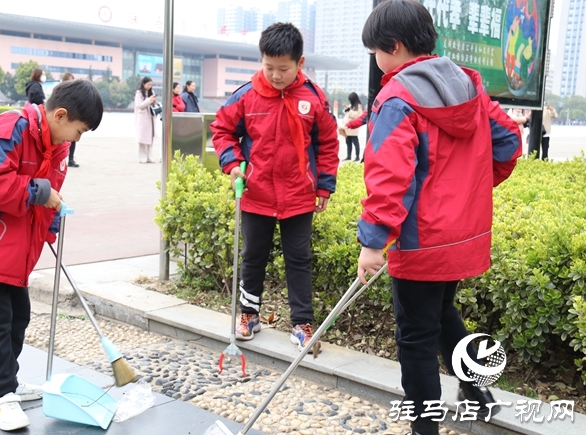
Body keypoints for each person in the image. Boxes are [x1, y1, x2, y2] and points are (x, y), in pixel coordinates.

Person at [355, 1, 521, 434]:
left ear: (393, 47)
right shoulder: (469, 86)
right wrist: (465, 195)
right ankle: (477, 391)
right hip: (460, 237)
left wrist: (373, 242)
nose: (377, 60)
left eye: (376, 50)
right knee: (443, 313)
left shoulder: (396, 98)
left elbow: (389, 178)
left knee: (415, 341)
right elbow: (507, 143)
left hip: (420, 242)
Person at [0, 79, 103, 432]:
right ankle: (4, 395)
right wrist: (39, 192)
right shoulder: (10, 129)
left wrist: (50, 226)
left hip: (15, 252)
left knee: (19, 316)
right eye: (77, 131)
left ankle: (3, 385)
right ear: (60, 115)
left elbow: (51, 195)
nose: (76, 140)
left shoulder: (56, 148)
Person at [211, 22, 339, 352]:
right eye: (269, 67)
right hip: (256, 194)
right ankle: (248, 315)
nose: (276, 75)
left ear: (300, 63)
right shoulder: (246, 96)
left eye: (283, 68)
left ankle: (302, 324)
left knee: (299, 259)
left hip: (298, 194)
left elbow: (327, 143)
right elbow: (222, 131)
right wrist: (232, 165)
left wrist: (324, 186)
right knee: (253, 256)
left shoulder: (313, 98)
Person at [134, 76, 158, 163]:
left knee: (150, 138)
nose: (149, 86)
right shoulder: (139, 93)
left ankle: (150, 157)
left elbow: (153, 104)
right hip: (143, 118)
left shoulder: (152, 92)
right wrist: (149, 100)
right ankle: (142, 158)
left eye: (151, 85)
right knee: (143, 139)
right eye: (148, 84)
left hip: (151, 117)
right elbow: (139, 106)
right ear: (143, 84)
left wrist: (154, 100)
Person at [61, 72, 79, 167]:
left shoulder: (76, 92)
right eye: (69, 80)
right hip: (64, 118)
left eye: (72, 80)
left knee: (73, 138)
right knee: (63, 139)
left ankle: (71, 159)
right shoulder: (60, 91)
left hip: (73, 117)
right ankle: (62, 159)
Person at [339, 92, 364, 161]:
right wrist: (347, 109)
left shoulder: (359, 106)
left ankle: (357, 156)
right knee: (348, 142)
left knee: (355, 142)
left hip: (354, 127)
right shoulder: (351, 105)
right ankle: (349, 156)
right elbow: (347, 114)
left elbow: (357, 116)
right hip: (347, 127)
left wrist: (349, 110)